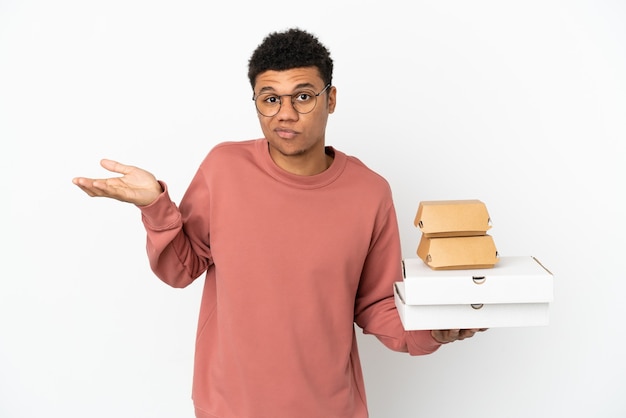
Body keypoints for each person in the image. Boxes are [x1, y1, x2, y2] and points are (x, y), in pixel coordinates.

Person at [73, 28, 484, 418]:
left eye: (303, 96)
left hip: (329, 407)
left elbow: (375, 305)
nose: (285, 114)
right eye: (270, 99)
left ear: (331, 98)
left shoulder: (370, 192)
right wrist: (156, 206)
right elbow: (182, 270)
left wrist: (433, 330)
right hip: (230, 405)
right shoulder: (224, 168)